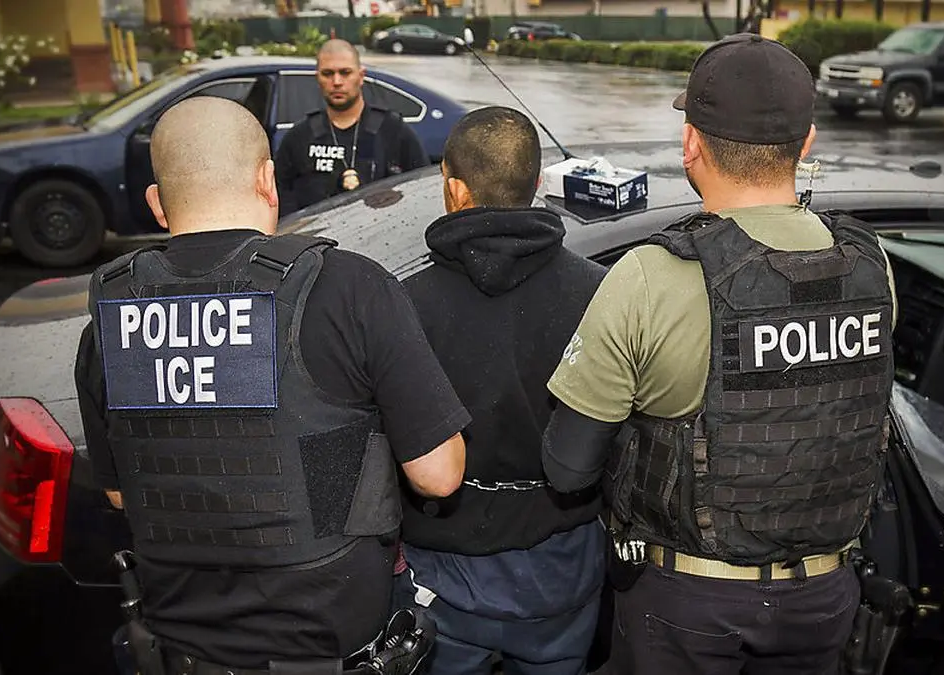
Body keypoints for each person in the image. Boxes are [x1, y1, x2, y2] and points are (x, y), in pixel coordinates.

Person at [540, 33, 900, 675]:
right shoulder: (874, 268)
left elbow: (569, 468)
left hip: (688, 607)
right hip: (825, 597)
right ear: (807, 143)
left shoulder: (650, 276)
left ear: (691, 145)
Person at [74, 95, 470, 675]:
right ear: (268, 180)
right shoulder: (348, 289)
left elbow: (120, 494)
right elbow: (438, 475)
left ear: (157, 204)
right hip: (330, 650)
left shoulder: (110, 320)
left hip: (181, 652)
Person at [394, 106, 609, 675]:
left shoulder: (403, 306)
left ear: (454, 188)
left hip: (441, 580)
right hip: (562, 576)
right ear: (537, 184)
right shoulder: (601, 294)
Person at [273, 38, 430, 216]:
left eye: (345, 72)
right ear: (318, 78)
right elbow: (279, 195)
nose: (337, 81)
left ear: (361, 76)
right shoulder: (300, 136)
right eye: (328, 73)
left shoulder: (393, 130)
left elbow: (420, 190)